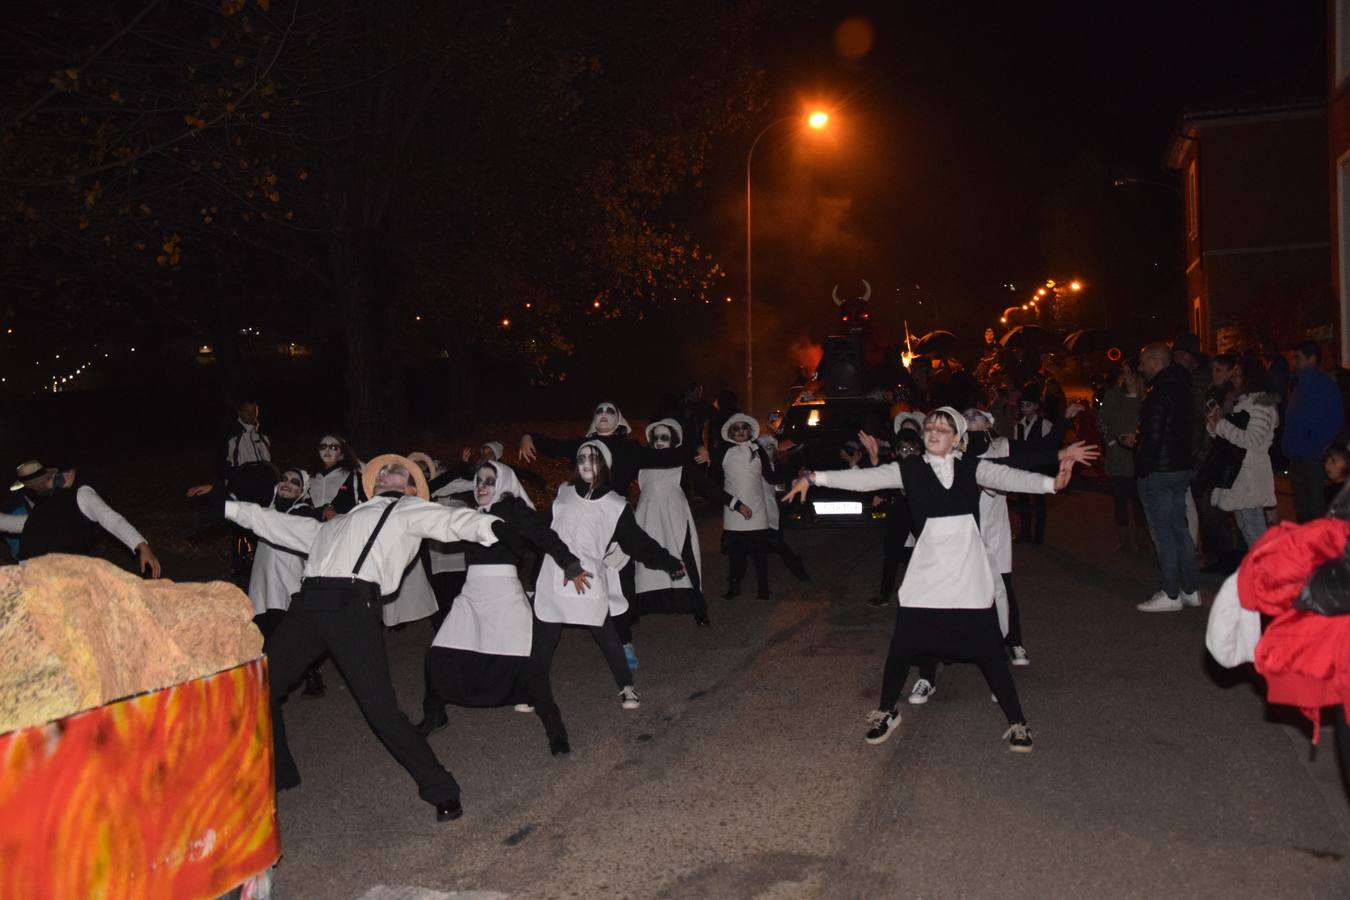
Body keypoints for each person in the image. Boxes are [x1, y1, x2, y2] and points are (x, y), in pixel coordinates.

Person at [219, 455, 513, 823]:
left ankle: (442, 788)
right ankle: (280, 773)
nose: (389, 471)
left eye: (399, 471)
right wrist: (228, 507)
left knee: (381, 711)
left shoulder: (409, 510)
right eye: (384, 470)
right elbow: (277, 523)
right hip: (307, 606)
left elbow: (454, 520)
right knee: (257, 688)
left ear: (409, 488)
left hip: (352, 610)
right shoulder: (339, 523)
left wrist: (494, 526)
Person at [784, 408, 1084, 753]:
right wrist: (813, 478)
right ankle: (886, 711)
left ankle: (1017, 721)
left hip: (967, 575)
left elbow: (1010, 477)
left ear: (957, 438)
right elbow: (865, 480)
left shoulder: (974, 467)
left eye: (942, 428)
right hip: (928, 574)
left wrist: (1052, 484)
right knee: (902, 648)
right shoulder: (910, 470)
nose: (933, 431)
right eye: (929, 426)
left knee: (989, 651)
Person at [416, 460, 590, 756]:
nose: (482, 486)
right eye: (478, 481)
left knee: (529, 666)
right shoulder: (469, 515)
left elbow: (544, 536)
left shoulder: (513, 510)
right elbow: (430, 509)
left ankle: (554, 728)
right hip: (472, 593)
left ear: (505, 484)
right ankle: (435, 713)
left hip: (505, 593)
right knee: (439, 653)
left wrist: (571, 565)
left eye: (489, 480)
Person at [531, 441, 686, 711]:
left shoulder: (616, 505)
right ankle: (533, 691)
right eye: (581, 458)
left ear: (604, 464)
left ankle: (627, 686)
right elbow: (545, 529)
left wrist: (667, 561)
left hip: (589, 578)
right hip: (554, 573)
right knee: (544, 637)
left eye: (593, 458)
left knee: (608, 636)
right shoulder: (564, 492)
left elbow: (637, 542)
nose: (586, 463)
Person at [1126, 343, 1200, 612]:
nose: (1140, 368)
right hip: (1179, 468)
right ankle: (1190, 588)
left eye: (1144, 362)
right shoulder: (1184, 389)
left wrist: (1142, 465)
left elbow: (1154, 437)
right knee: (1179, 529)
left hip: (1159, 471)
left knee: (1163, 533)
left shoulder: (1159, 393)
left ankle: (1170, 592)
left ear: (1156, 362)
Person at [632, 419, 728, 627]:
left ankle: (699, 610)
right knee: (641, 562)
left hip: (675, 519)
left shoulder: (681, 462)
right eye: (655, 438)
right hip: (647, 519)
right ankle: (637, 608)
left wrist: (734, 503)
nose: (659, 441)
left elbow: (706, 485)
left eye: (664, 437)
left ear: (673, 440)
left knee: (686, 559)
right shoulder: (641, 462)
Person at [3, 460, 161, 577]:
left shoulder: (82, 493)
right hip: (37, 569)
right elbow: (26, 524)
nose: (40, 487)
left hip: (49, 569)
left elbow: (111, 519)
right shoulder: (48, 503)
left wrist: (141, 545)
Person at [1205, 357, 1278, 550]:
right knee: (1245, 526)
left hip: (1251, 474)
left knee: (1254, 529)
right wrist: (1215, 424)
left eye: (1239, 375)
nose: (1234, 379)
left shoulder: (1261, 405)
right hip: (1240, 472)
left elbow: (1252, 440)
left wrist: (1221, 425)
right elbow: (1233, 433)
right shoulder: (1244, 402)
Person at [1282, 340, 1346, 523]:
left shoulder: (1324, 386)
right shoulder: (1298, 384)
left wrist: (1320, 450)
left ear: (1312, 359)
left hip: (1314, 457)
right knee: (1303, 510)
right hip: (1298, 456)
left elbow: (1333, 421)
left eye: (1298, 358)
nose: (1294, 362)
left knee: (1315, 509)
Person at [1099, 358, 1148, 553]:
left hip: (1139, 457)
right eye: (1124, 372)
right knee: (1119, 499)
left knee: (1139, 500)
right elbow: (1102, 421)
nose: (1126, 377)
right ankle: (1123, 539)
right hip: (1118, 455)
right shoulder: (1114, 396)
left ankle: (1141, 538)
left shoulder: (1145, 398)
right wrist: (1110, 442)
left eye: (1130, 372)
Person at [1011, 383, 1056, 544]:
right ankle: (1025, 532)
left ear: (1036, 407)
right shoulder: (1019, 425)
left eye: (1028, 405)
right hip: (1024, 468)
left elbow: (1050, 446)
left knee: (1039, 502)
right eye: (1022, 405)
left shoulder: (1044, 424)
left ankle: (1039, 535)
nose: (1024, 408)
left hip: (1039, 468)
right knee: (1023, 501)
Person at [310, 432, 365, 519]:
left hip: (343, 527)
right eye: (323, 446)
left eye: (333, 447)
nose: (327, 450)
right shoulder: (308, 478)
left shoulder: (353, 475)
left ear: (341, 454)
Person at [1324, 443, 1350, 511]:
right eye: (1326, 461)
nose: (1327, 466)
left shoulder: (1346, 490)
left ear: (1346, 462)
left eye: (1333, 461)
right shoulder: (1326, 489)